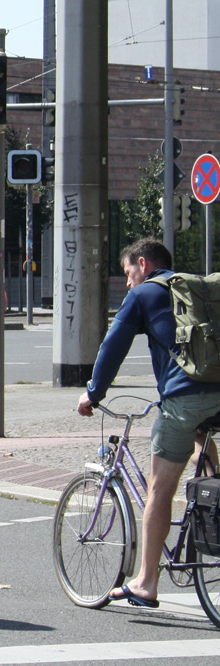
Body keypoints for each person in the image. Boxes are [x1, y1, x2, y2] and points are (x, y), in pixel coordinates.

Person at [77, 238, 220, 609]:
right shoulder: (196, 287)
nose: (127, 283)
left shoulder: (143, 296)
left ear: (143, 264)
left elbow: (113, 346)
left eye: (128, 273)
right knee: (201, 442)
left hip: (185, 399)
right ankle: (213, 499)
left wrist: (93, 393)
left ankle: (145, 582)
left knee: (160, 488)